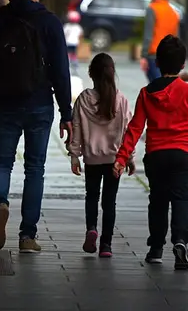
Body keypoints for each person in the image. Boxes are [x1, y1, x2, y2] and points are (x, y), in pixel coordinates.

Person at [0, 0, 72, 253]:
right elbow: (61, 71)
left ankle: (0, 203)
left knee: (1, 163)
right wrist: (67, 113)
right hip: (39, 103)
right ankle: (27, 236)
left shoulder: (0, 17)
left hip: (5, 101)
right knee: (34, 168)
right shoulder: (50, 22)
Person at [114, 35, 188, 271]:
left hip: (156, 156)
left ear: (157, 63)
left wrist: (122, 158)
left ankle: (156, 248)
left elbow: (135, 128)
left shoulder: (146, 93)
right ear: (183, 65)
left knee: (158, 202)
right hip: (182, 154)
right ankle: (180, 241)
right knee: (182, 199)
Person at [68, 53, 133, 258]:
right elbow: (127, 130)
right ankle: (106, 245)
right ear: (113, 73)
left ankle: (91, 229)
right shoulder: (121, 100)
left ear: (91, 74)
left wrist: (74, 155)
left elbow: (76, 127)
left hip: (92, 160)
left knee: (92, 196)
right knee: (109, 202)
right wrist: (128, 158)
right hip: (115, 160)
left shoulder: (84, 99)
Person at [140, 0, 180, 83]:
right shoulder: (173, 12)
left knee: (156, 85)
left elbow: (148, 34)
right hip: (169, 54)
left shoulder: (152, 9)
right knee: (165, 84)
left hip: (154, 54)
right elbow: (176, 36)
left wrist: (144, 55)